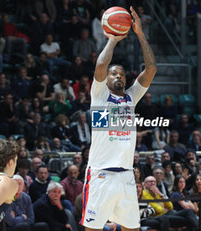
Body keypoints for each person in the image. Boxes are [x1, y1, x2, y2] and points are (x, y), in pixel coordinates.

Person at [81, 6, 157, 231]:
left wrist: (140, 34)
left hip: (125, 175)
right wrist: (113, 40)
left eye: (122, 74)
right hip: (100, 174)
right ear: (106, 79)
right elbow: (101, 65)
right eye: (115, 73)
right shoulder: (100, 95)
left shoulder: (130, 98)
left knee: (132, 228)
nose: (119, 76)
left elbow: (151, 68)